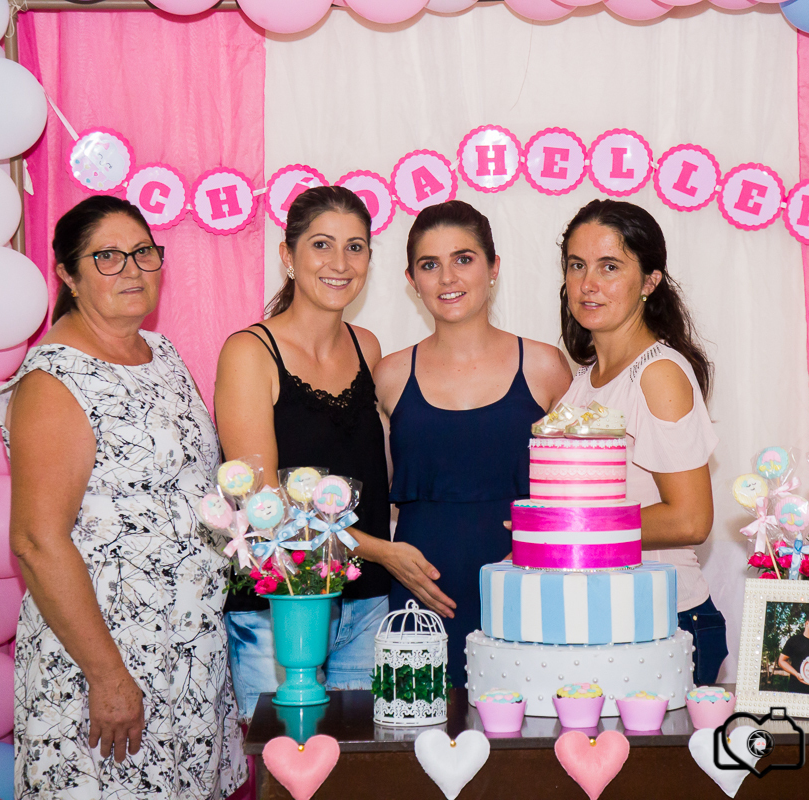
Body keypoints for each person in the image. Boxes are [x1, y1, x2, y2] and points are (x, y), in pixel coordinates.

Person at [0, 195, 245, 798]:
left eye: (144, 253)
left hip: (185, 653)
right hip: (105, 660)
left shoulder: (164, 354)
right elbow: (35, 539)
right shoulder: (55, 380)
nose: (132, 269)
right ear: (69, 276)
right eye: (107, 257)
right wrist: (107, 676)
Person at [373, 200, 571, 686]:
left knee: (531, 739)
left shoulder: (545, 367)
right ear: (411, 280)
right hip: (421, 594)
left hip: (527, 586)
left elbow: (580, 494)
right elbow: (377, 492)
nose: (447, 278)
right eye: (429, 265)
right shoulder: (390, 375)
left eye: (463, 259)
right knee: (420, 740)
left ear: (493, 267)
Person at [214, 186, 390, 718]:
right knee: (290, 772)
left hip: (365, 605)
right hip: (279, 609)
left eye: (355, 247)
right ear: (288, 257)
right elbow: (266, 508)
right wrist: (385, 551)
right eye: (322, 245)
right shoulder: (250, 352)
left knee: (363, 774)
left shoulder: (369, 347)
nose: (340, 263)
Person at [555, 199, 726, 685]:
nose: (589, 284)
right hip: (609, 619)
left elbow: (691, 520)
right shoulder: (586, 380)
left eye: (610, 267)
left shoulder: (658, 373)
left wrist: (569, 528)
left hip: (668, 622)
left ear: (650, 281)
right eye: (577, 265)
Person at [778, 615, 809, 694]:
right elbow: (781, 661)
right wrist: (796, 674)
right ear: (807, 623)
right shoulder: (794, 640)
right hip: (795, 690)